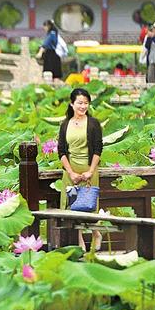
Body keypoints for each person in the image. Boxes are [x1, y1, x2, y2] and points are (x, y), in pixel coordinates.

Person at [57, 88, 104, 250]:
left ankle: (96, 233)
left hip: (89, 169)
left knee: (89, 205)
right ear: (72, 104)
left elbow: (98, 149)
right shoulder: (65, 125)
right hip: (71, 171)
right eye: (79, 103)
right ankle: (80, 241)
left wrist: (90, 171)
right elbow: (61, 151)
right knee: (73, 206)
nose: (83, 106)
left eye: (86, 103)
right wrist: (71, 173)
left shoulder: (93, 124)